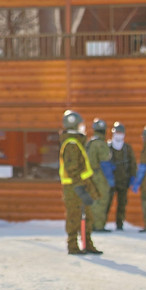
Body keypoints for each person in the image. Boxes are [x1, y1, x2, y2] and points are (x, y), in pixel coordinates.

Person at [59, 109, 101, 255]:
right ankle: (73, 245)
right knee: (74, 216)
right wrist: (79, 188)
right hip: (74, 188)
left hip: (82, 186)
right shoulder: (71, 144)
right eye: (80, 124)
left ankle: (87, 243)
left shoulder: (77, 142)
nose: (83, 126)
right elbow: (72, 169)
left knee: (87, 216)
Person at [86, 118, 114, 232]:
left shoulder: (90, 143)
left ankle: (91, 224)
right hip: (99, 175)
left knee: (93, 199)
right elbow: (105, 162)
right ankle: (98, 226)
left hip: (89, 174)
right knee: (101, 200)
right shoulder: (101, 144)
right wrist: (110, 178)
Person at [110, 121, 137, 230]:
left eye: (120, 132)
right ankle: (100, 224)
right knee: (106, 202)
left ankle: (119, 224)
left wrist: (132, 177)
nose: (119, 134)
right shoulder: (108, 147)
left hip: (123, 180)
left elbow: (133, 163)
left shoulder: (127, 148)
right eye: (117, 132)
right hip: (111, 180)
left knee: (122, 204)